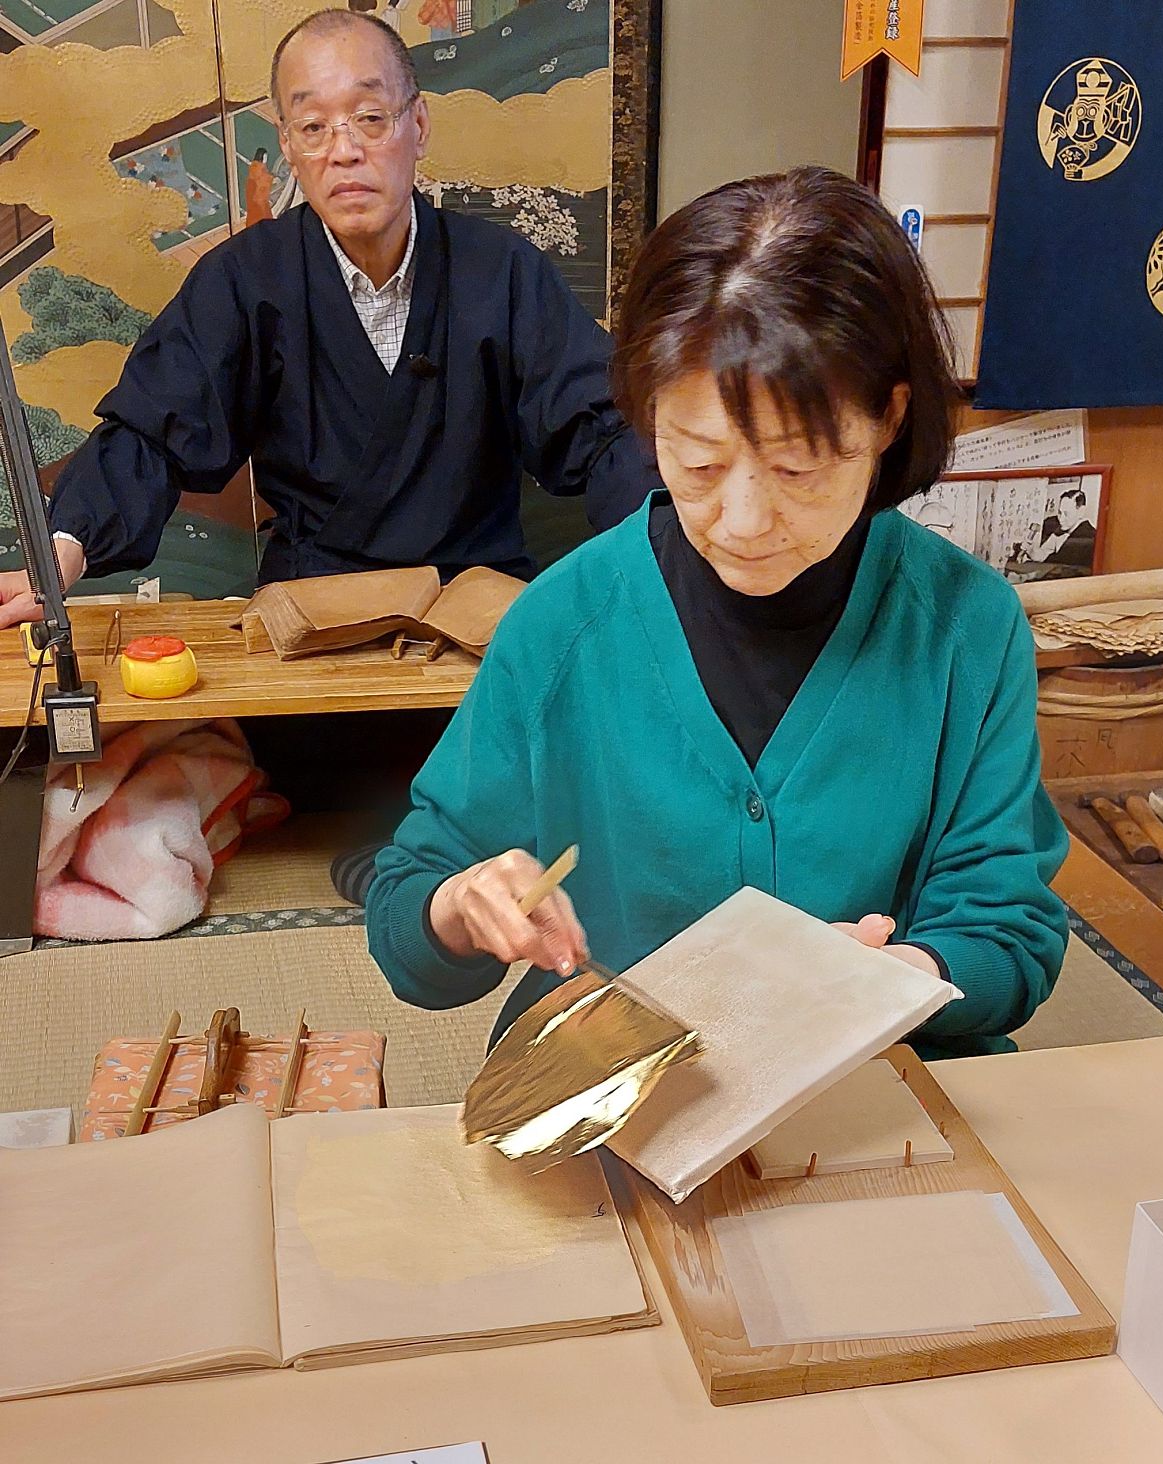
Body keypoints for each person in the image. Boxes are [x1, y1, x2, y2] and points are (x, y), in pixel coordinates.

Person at [363, 167, 1070, 1062]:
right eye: (695, 463)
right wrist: (459, 908)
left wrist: (902, 977)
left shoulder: (966, 627)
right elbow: (406, 907)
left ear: (889, 418)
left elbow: (1007, 928)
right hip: (619, 1091)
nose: (741, 524)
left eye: (798, 469)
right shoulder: (564, 624)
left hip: (878, 1085)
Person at [0, 8, 651, 631]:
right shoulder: (245, 280)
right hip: (313, 611)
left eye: (370, 118)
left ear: (418, 125)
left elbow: (601, 430)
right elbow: (151, 432)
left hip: (476, 610)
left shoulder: (503, 272)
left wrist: (674, 538)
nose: (343, 151)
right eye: (313, 127)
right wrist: (67, 546)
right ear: (288, 143)